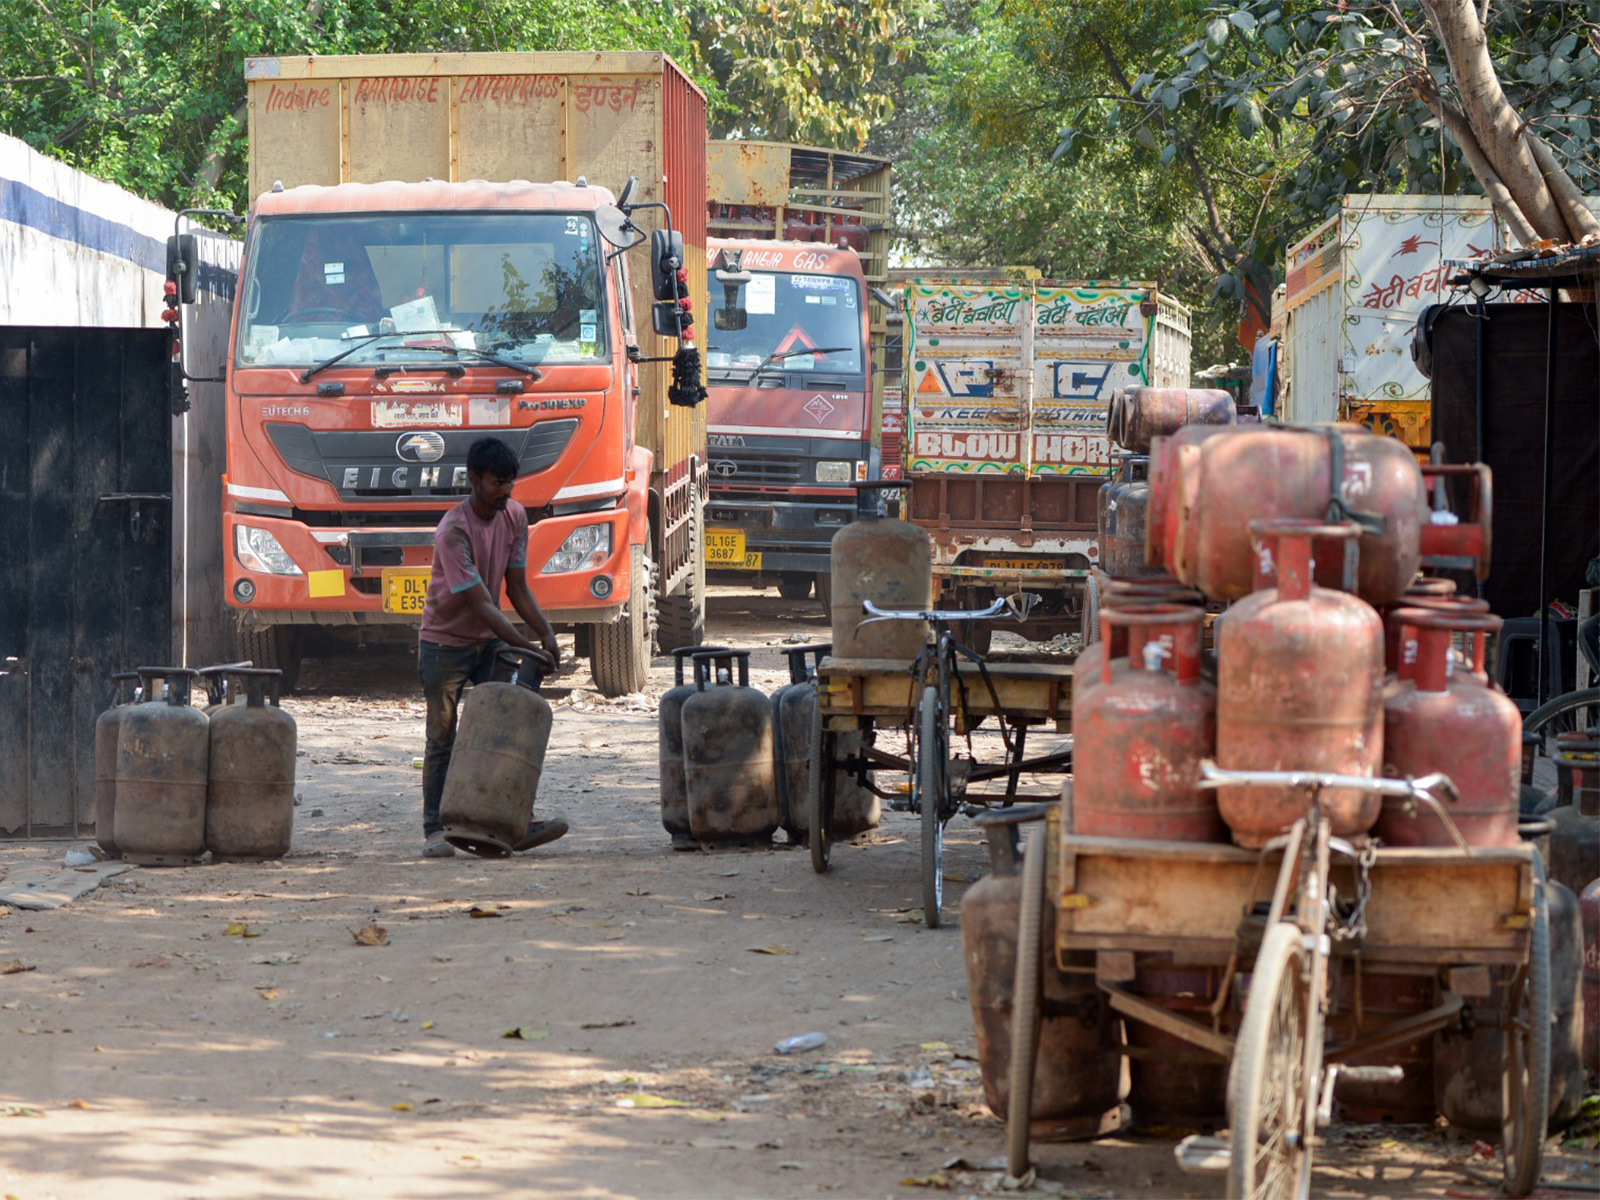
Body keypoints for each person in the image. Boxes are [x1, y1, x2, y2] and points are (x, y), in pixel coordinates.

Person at [418, 437, 565, 858]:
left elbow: (516, 586)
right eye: (497, 483)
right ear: (473, 480)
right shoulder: (453, 531)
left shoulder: (515, 516)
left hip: (488, 644)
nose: (506, 492)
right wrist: (528, 645)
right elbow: (481, 602)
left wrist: (547, 632)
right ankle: (433, 828)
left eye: (510, 485)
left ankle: (508, 817)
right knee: (442, 738)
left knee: (503, 731)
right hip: (444, 645)